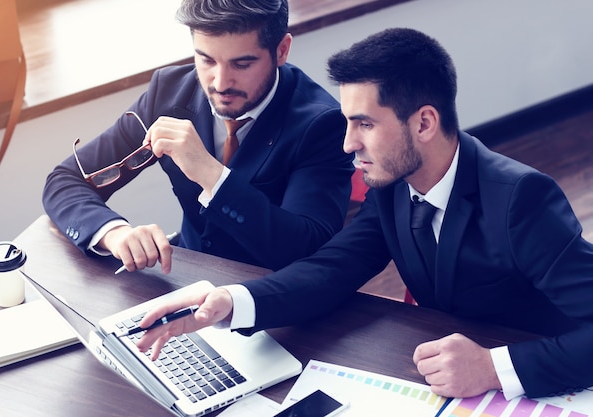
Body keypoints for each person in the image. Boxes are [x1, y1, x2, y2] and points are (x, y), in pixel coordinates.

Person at [135, 27, 593, 400]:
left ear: (424, 123)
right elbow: (331, 270)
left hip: (548, 389)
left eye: (365, 124)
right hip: (450, 387)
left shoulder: (521, 199)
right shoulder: (394, 189)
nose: (348, 144)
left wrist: (493, 367)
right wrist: (231, 302)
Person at [42, 0, 354, 273]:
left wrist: (212, 176)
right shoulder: (168, 92)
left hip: (272, 298)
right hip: (184, 274)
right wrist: (114, 233)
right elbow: (65, 180)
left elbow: (307, 248)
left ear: (281, 50)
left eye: (242, 63)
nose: (220, 83)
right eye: (206, 60)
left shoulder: (322, 124)